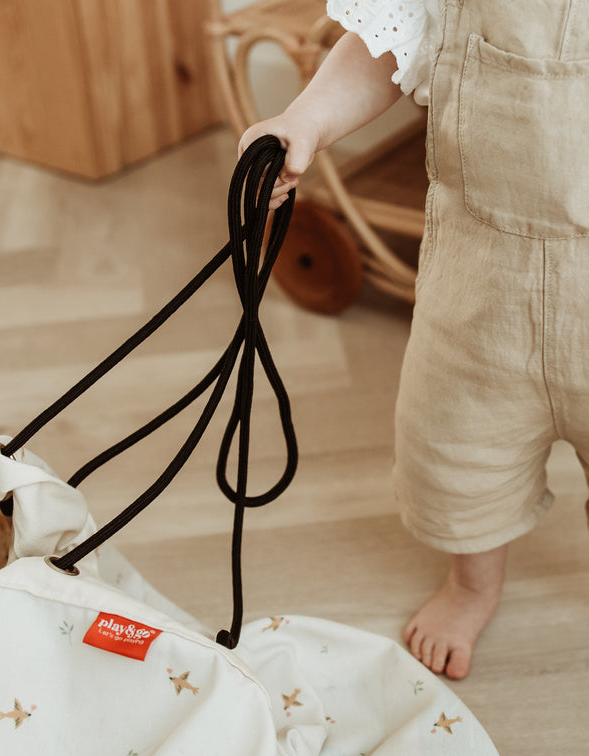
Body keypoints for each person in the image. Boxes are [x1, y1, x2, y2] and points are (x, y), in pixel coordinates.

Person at [239, 0, 589, 679]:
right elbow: (386, 42)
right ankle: (471, 586)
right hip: (478, 291)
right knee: (456, 456)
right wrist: (305, 119)